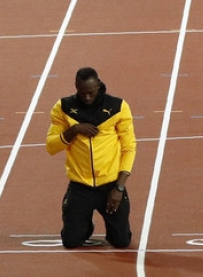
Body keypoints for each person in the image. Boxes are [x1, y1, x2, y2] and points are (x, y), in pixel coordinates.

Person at [46, 67, 137, 248]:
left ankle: (114, 226)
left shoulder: (118, 107)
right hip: (80, 187)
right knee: (71, 242)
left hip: (110, 185)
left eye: (91, 93)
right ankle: (84, 225)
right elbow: (51, 146)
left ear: (98, 86)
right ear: (76, 87)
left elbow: (129, 148)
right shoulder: (63, 107)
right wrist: (75, 130)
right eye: (82, 93)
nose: (87, 97)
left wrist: (119, 187)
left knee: (121, 242)